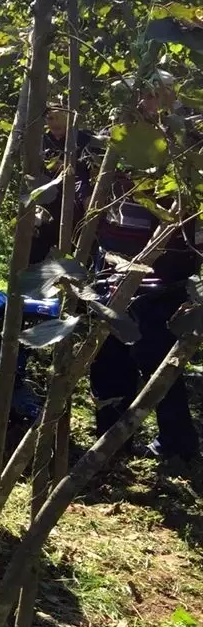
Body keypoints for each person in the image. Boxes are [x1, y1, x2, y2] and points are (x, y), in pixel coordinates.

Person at [89, 73, 201, 464]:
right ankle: (111, 438)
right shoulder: (115, 137)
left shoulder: (188, 141)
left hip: (164, 268)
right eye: (147, 95)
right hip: (112, 259)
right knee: (107, 351)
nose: (154, 103)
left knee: (156, 353)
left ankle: (178, 444)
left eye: (161, 95)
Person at [30, 103, 97, 263]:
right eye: (50, 118)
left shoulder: (86, 140)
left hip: (77, 211)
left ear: (69, 118)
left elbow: (89, 176)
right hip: (47, 209)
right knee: (35, 256)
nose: (54, 122)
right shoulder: (42, 142)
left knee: (74, 258)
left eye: (59, 118)